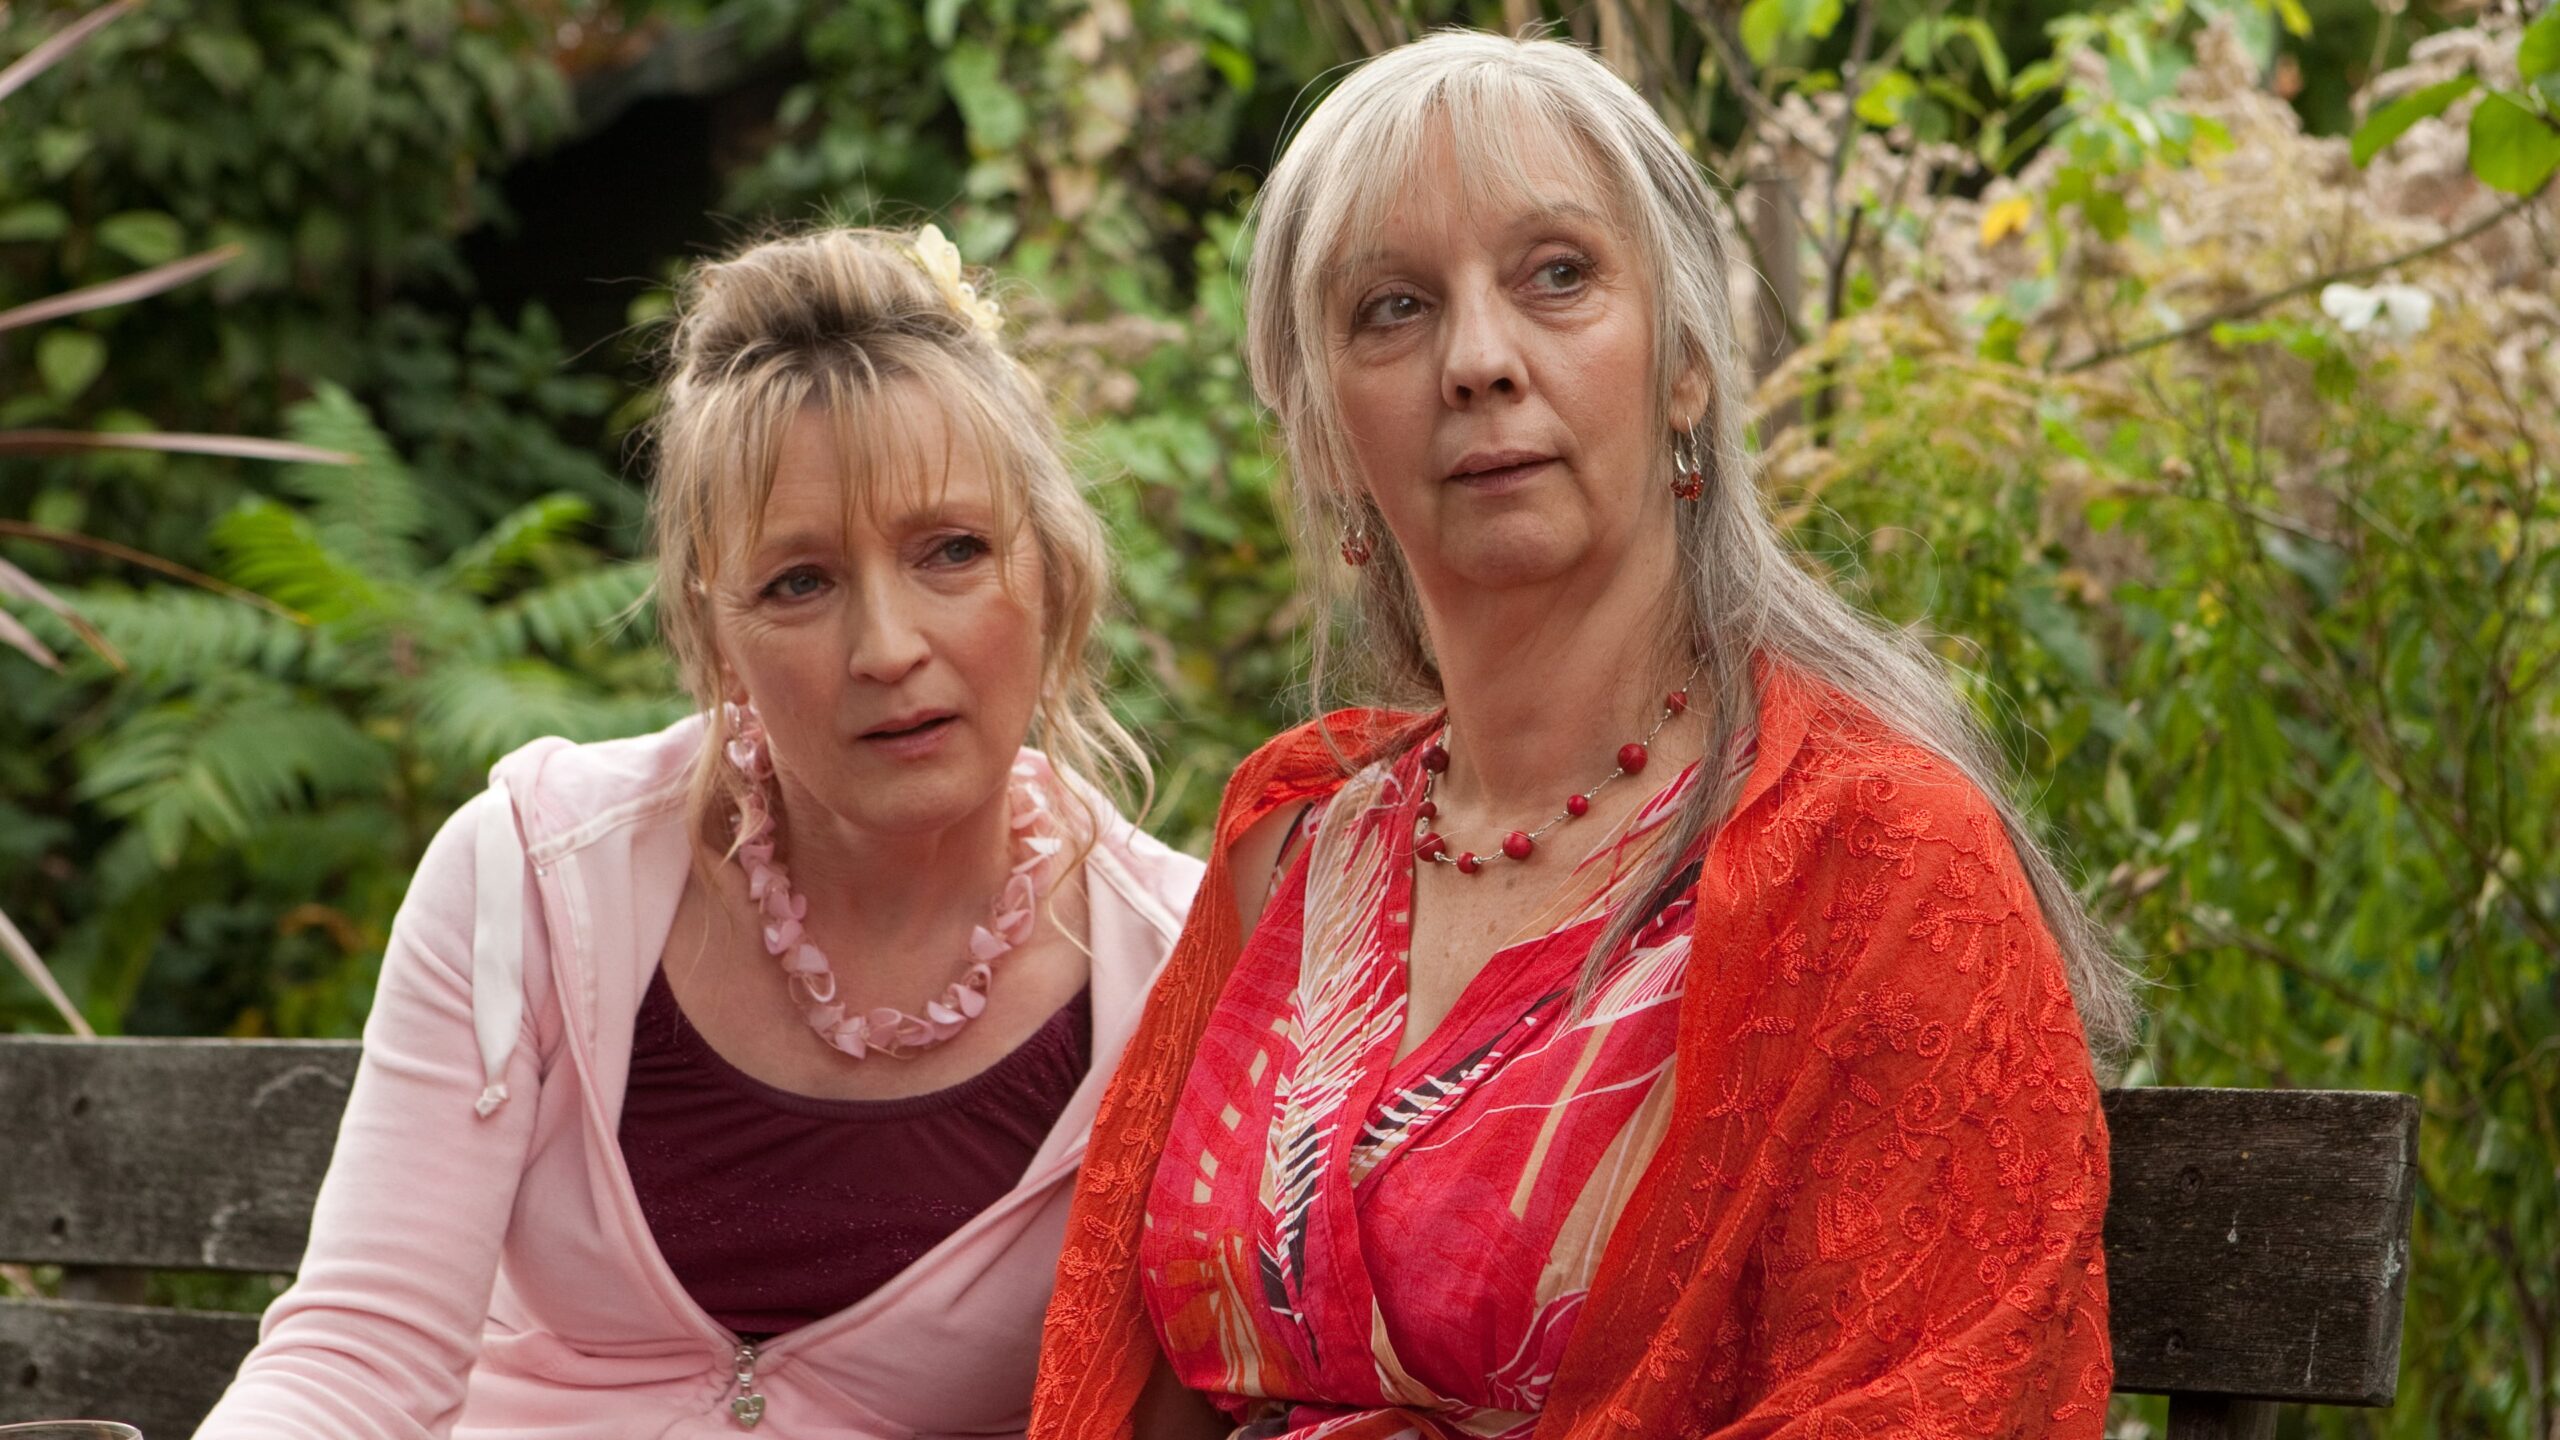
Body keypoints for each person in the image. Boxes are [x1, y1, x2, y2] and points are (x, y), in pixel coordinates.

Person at [1030, 31, 2138, 1440]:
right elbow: (1124, 1393)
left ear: (1686, 368)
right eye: (1392, 308)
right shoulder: (1297, 847)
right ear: (1320, 437)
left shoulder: (1876, 861)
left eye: (1557, 275)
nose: (1479, 361)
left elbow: (1935, 1405)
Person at [197, 225, 1204, 1439]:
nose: (887, 648)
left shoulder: (1179, 977)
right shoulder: (530, 878)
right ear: (713, 631)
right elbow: (357, 1357)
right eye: (799, 582)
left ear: (1053, 570)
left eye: (951, 551)